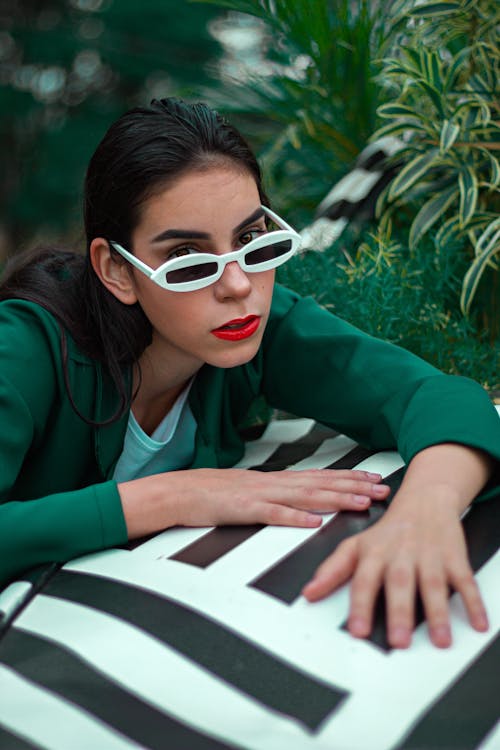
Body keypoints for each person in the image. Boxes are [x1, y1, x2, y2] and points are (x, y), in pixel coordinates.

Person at [0, 98, 498, 651]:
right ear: (117, 269)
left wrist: (424, 512)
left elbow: (434, 395)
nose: (237, 284)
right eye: (188, 256)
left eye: (251, 240)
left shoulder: (257, 326)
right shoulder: (24, 350)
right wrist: (168, 497)